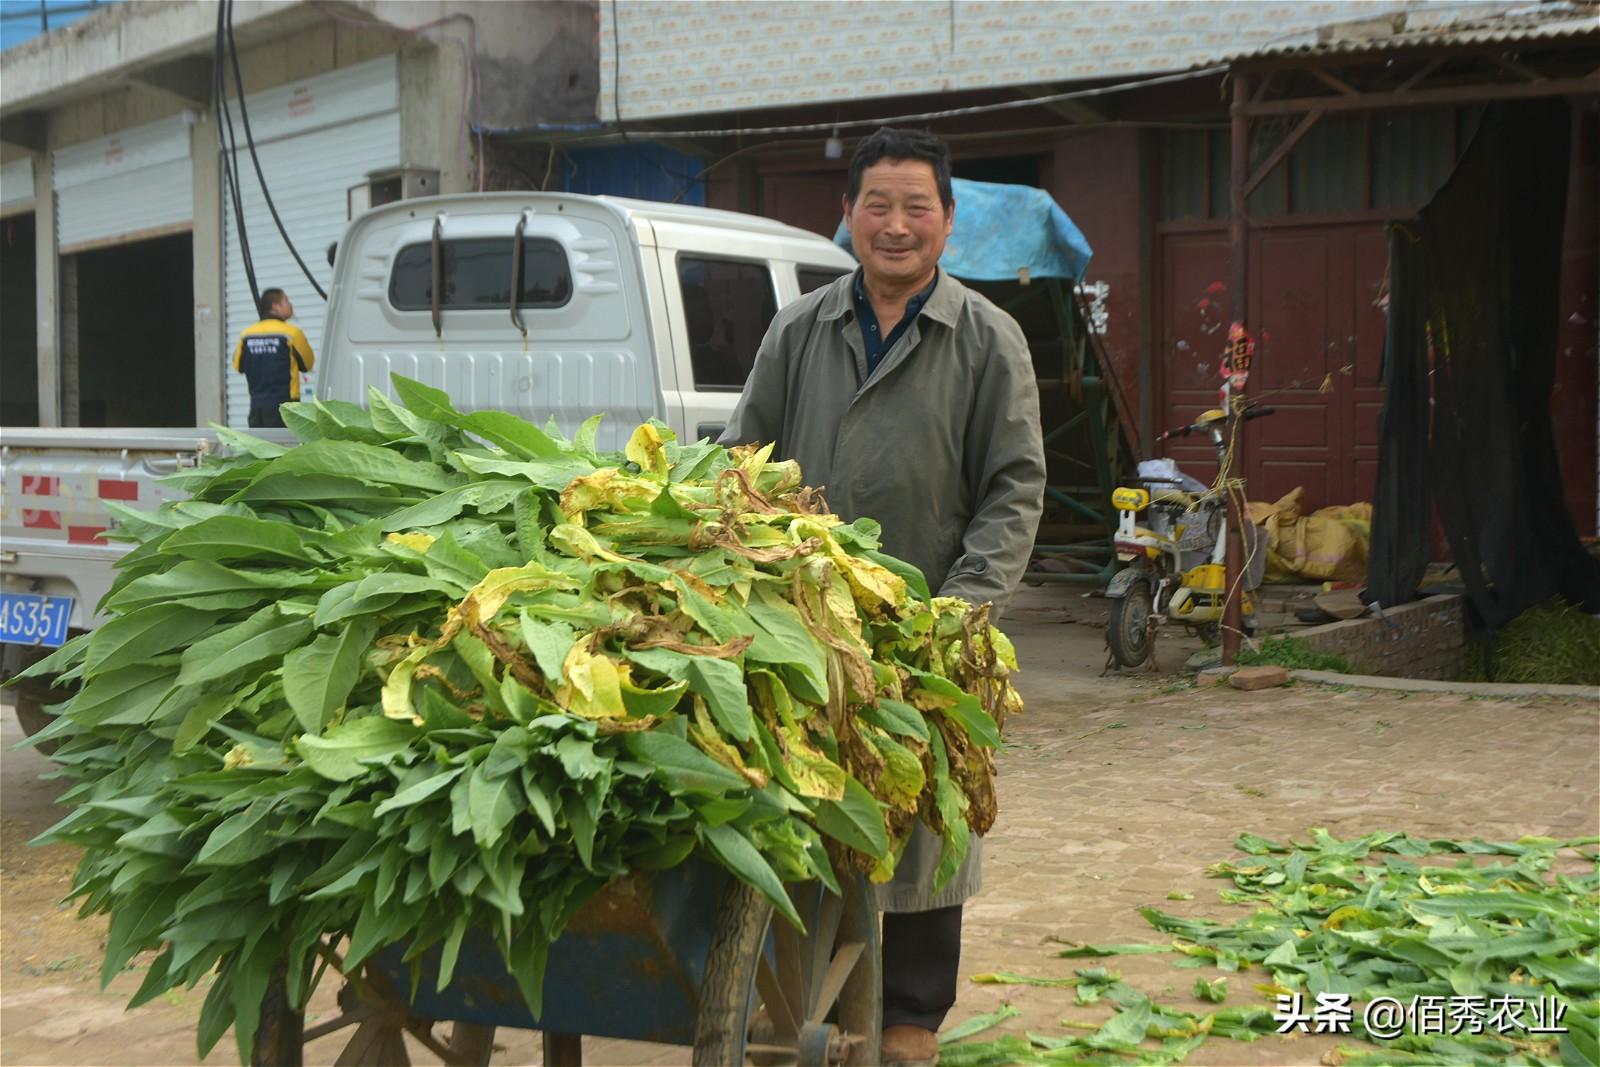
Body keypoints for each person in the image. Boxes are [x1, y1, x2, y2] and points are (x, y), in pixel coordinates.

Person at [720, 127, 1046, 1066]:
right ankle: (797, 999)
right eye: (877, 205)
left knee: (924, 818)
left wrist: (959, 614)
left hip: (931, 630)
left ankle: (909, 1023)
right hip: (803, 628)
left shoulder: (989, 339)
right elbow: (745, 456)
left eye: (915, 207)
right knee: (807, 806)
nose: (895, 226)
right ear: (849, 216)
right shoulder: (802, 328)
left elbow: (1014, 488)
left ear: (948, 220)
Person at [233, 287, 315, 428]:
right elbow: (308, 364)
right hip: (288, 409)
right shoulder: (292, 333)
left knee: (259, 448)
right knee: (286, 449)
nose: (291, 305)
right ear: (275, 306)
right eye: (286, 301)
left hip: (257, 409)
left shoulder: (246, 335)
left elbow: (237, 366)